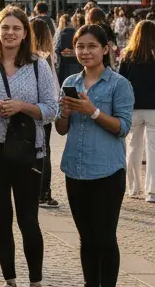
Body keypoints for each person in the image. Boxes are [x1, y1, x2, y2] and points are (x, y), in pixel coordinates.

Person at [0, 7, 58, 287]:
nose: (10, 33)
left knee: (28, 219)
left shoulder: (38, 65)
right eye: (5, 28)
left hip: (28, 150)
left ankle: (35, 279)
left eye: (16, 28)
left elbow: (52, 109)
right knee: (1, 218)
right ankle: (9, 278)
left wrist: (22, 106)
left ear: (25, 33)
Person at [57, 24, 134, 287]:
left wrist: (93, 111)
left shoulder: (119, 84)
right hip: (75, 170)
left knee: (105, 237)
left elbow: (123, 128)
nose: (85, 52)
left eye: (91, 46)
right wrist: (65, 113)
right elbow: (60, 129)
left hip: (107, 172)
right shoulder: (70, 82)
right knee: (86, 238)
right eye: (80, 46)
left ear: (105, 49)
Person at [117, 20, 155, 202]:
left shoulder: (128, 56)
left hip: (133, 108)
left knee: (133, 148)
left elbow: (121, 82)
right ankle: (152, 191)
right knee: (153, 150)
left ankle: (134, 188)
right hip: (154, 108)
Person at [30, 18, 61, 209]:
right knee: (44, 151)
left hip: (33, 108)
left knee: (34, 151)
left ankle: (37, 191)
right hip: (45, 109)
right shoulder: (48, 56)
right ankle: (44, 192)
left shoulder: (30, 57)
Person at [56, 13, 85, 85]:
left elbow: (57, 50)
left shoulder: (61, 35)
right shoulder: (78, 34)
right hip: (78, 65)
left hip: (65, 66)